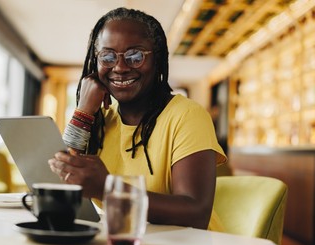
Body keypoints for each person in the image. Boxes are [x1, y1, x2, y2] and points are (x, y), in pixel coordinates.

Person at [48, 7, 227, 230]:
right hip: (127, 244)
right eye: (108, 56)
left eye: (135, 56)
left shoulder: (187, 115)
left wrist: (108, 188)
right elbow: (60, 185)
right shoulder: (99, 121)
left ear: (157, 59)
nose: (120, 67)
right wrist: (82, 111)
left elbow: (196, 213)